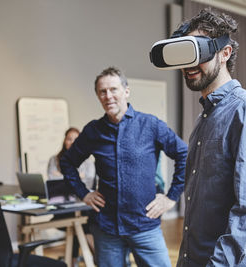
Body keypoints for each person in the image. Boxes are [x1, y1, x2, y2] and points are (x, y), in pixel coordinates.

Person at [171, 8, 246, 267]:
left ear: (224, 53)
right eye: (186, 55)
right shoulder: (203, 120)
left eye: (199, 53)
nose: (189, 65)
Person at [60, 67, 188, 267]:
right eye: (102, 91)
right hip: (107, 229)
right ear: (98, 96)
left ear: (126, 91)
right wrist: (83, 193)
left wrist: (172, 197)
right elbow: (67, 162)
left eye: (113, 89)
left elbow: (184, 154)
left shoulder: (150, 125)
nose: (108, 96)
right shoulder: (93, 131)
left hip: (144, 225)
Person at [47, 127, 96, 266]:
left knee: (81, 223)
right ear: (64, 141)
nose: (72, 142)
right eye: (69, 139)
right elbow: (52, 179)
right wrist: (76, 177)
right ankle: (95, 259)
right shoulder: (55, 159)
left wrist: (64, 177)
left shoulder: (87, 162)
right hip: (61, 204)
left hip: (83, 204)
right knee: (76, 224)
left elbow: (88, 182)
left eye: (76, 139)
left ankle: (76, 260)